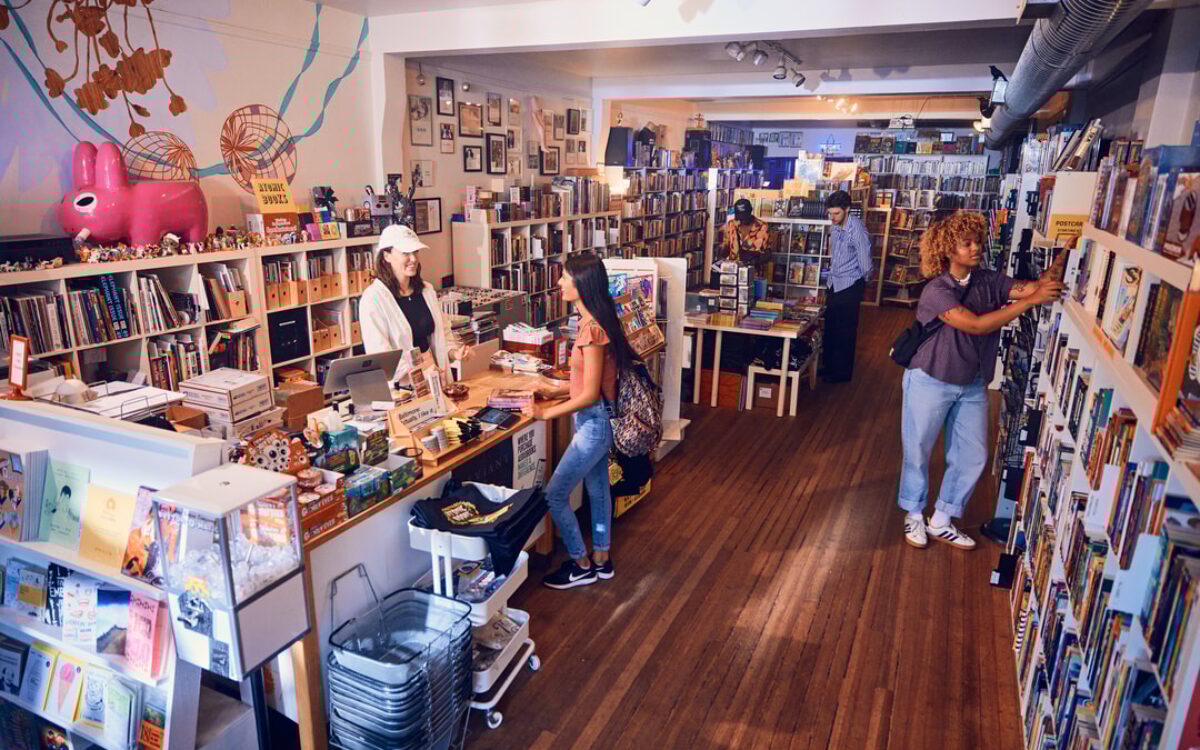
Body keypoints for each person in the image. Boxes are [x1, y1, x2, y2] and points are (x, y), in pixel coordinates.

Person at [899, 212, 1064, 550]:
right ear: (948, 250)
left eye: (978, 241)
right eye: (967, 243)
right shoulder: (936, 290)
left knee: (973, 453)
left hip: (972, 381)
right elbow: (975, 324)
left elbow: (1033, 288)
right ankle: (913, 513)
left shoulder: (989, 280)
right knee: (918, 449)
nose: (976, 248)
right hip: (930, 377)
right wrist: (1031, 301)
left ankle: (942, 518)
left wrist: (1067, 253)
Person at [524, 254, 640, 589]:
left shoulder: (592, 332)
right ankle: (601, 559)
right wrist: (554, 392)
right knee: (597, 488)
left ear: (581, 284)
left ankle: (580, 563)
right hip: (597, 420)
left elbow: (589, 396)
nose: (558, 283)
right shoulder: (598, 323)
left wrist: (545, 413)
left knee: (555, 494)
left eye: (564, 277)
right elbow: (587, 386)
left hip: (593, 424)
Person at [359, 224, 470, 378]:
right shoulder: (373, 299)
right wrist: (422, 373)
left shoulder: (426, 290)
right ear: (386, 256)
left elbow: (442, 333)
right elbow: (381, 359)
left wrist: (455, 352)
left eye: (415, 252)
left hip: (433, 374)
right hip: (403, 386)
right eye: (406, 253)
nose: (413, 259)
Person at [822, 190, 873, 383]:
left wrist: (862, 283)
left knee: (845, 332)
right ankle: (828, 368)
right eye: (830, 213)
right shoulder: (835, 226)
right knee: (831, 328)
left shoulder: (857, 229)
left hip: (850, 285)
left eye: (836, 214)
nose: (832, 217)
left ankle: (841, 374)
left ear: (847, 210)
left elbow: (866, 262)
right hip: (834, 283)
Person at [722, 198, 768, 264]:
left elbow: (767, 253)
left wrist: (754, 261)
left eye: (744, 217)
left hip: (753, 269)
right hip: (733, 267)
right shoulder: (732, 224)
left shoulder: (762, 226)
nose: (742, 220)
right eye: (739, 217)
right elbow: (726, 245)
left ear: (750, 211)